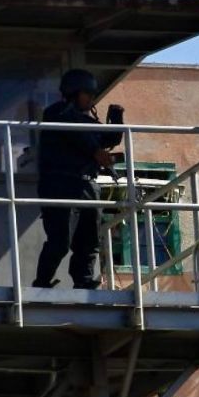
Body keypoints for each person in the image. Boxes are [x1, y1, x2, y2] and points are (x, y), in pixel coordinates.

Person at [33, 69, 124, 289]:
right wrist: (95, 151)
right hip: (61, 185)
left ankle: (83, 281)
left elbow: (106, 138)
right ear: (74, 92)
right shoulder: (56, 113)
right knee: (60, 241)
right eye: (87, 93)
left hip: (87, 186)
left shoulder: (85, 121)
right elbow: (78, 134)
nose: (92, 98)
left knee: (89, 241)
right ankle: (42, 282)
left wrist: (117, 119)